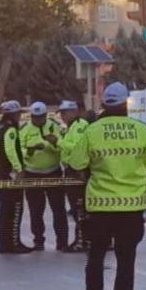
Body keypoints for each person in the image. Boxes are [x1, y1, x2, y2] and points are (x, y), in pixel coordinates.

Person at [67, 82, 146, 290]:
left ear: (104, 104)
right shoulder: (140, 130)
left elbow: (76, 163)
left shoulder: (92, 131)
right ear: (125, 104)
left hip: (100, 207)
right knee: (126, 262)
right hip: (132, 208)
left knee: (95, 260)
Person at [19, 102, 69, 251]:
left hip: (53, 171)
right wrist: (30, 150)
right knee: (36, 210)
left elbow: (62, 145)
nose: (38, 120)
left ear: (46, 115)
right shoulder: (25, 129)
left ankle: (62, 241)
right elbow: (18, 148)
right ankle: (38, 240)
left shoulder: (54, 126)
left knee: (58, 209)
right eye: (35, 117)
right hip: (32, 173)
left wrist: (51, 145)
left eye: (40, 117)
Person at [0, 100, 32, 255]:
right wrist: (18, 169)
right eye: (19, 113)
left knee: (4, 210)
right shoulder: (10, 129)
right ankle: (13, 243)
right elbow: (10, 150)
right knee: (15, 209)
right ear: (14, 113)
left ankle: (5, 243)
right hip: (11, 175)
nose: (20, 116)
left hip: (1, 173)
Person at [57, 100, 90, 252]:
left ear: (74, 112)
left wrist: (59, 142)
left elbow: (78, 147)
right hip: (71, 170)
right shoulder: (71, 127)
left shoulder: (79, 126)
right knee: (77, 208)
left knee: (79, 208)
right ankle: (83, 238)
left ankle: (82, 240)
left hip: (77, 171)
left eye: (65, 113)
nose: (62, 116)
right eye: (61, 113)